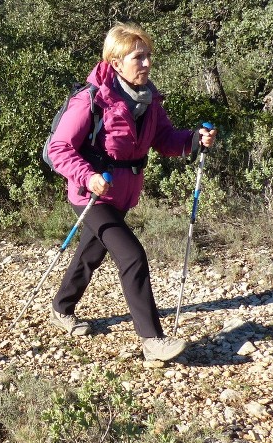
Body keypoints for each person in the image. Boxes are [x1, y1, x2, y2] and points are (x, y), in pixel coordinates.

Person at [45, 22, 217, 362]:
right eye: (138, 57)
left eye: (148, 56)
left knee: (90, 253)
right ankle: (152, 341)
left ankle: (61, 307)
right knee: (132, 256)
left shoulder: (149, 100)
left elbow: (165, 140)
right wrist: (89, 176)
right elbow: (59, 148)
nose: (147, 64)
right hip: (90, 194)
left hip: (122, 196)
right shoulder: (91, 100)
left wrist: (195, 140)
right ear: (115, 63)